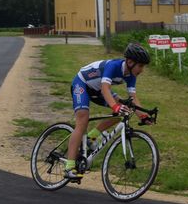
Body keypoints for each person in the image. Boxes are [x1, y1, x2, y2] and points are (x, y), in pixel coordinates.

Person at [65, 42, 153, 180]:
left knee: (125, 110)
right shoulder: (113, 66)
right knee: (82, 121)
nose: (142, 70)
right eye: (140, 66)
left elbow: (133, 97)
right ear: (130, 62)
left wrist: (143, 115)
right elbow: (105, 89)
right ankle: (69, 166)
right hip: (82, 84)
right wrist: (115, 106)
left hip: (97, 89)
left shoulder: (131, 76)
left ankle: (92, 137)